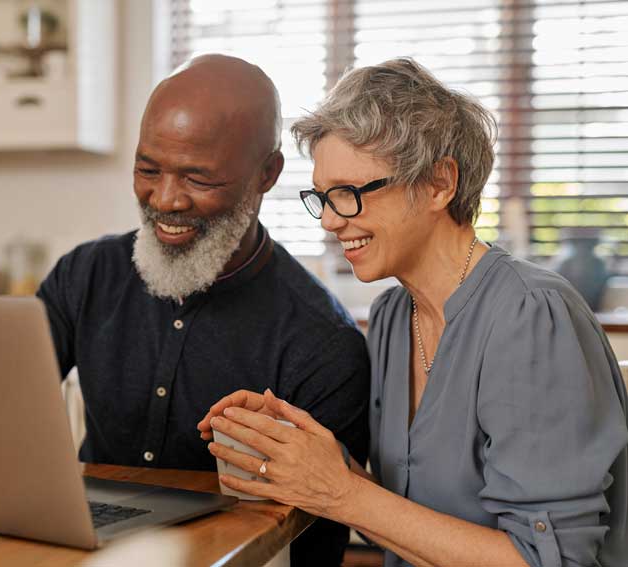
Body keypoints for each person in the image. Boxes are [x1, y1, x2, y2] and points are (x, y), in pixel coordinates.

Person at [200, 58, 628, 567]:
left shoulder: (531, 315)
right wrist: (302, 461)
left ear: (439, 183)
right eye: (323, 197)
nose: (332, 221)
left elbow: (548, 561)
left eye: (349, 194)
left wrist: (340, 492)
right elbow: (406, 522)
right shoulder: (390, 318)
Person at [37, 54, 371, 565]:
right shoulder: (84, 275)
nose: (166, 200)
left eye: (199, 179)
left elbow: (314, 544)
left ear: (267, 174)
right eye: (148, 169)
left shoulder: (321, 340)